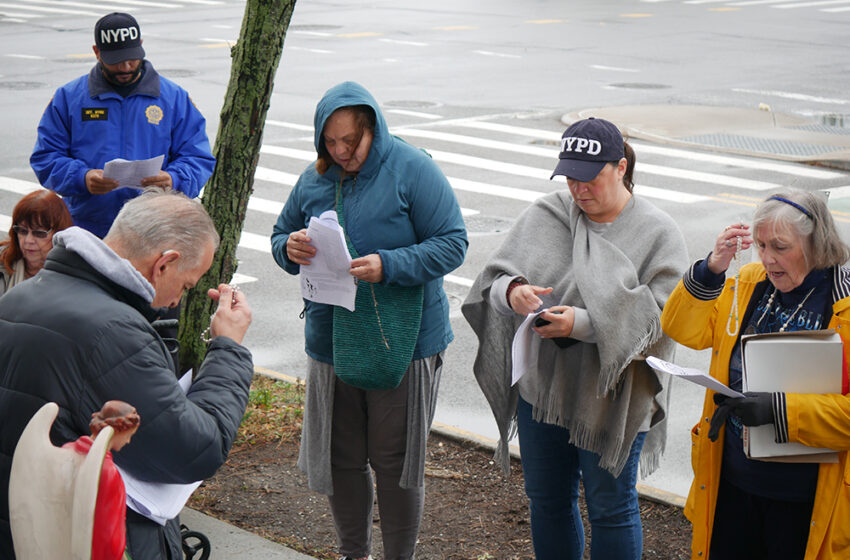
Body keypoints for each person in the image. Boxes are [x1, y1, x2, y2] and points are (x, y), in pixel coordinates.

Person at [462, 117, 689, 560]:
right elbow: (492, 281)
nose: (578, 189)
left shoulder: (658, 233)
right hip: (542, 390)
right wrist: (514, 292)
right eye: (569, 177)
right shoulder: (547, 213)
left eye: (589, 177)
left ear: (621, 167)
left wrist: (582, 325)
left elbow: (665, 318)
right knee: (546, 502)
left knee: (611, 508)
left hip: (613, 399)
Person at [271, 81, 468, 560]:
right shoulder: (313, 179)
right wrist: (289, 248)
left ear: (372, 129)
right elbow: (280, 237)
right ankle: (352, 553)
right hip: (332, 338)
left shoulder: (412, 169)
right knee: (341, 459)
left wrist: (390, 265)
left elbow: (454, 243)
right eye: (330, 142)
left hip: (403, 340)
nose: (341, 152)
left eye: (351, 141)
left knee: (394, 461)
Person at [0, 190, 253, 560]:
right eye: (185, 285)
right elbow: (197, 449)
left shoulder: (18, 298)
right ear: (164, 263)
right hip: (77, 538)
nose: (176, 302)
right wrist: (229, 348)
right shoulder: (114, 333)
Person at [661, 190, 850, 560]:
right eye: (761, 245)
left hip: (807, 502)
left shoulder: (843, 306)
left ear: (818, 244)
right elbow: (683, 329)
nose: (767, 259)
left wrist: (779, 411)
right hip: (732, 483)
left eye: (780, 247)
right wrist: (711, 270)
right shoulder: (749, 282)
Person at [30, 12, 215, 238]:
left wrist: (173, 179)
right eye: (116, 60)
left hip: (154, 229)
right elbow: (45, 157)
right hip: (86, 229)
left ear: (141, 46)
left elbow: (198, 158)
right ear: (97, 52)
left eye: (132, 58)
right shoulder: (69, 98)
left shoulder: (174, 98)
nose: (126, 67)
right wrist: (82, 178)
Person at [62, 400, 141, 560]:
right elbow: (109, 533)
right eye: (129, 435)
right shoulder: (106, 471)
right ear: (118, 430)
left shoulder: (67, 451)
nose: (128, 441)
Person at [0, 189, 72, 295]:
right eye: (22, 231)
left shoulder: (74, 275)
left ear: (58, 234)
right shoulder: (3, 264)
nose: (28, 241)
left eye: (39, 233)